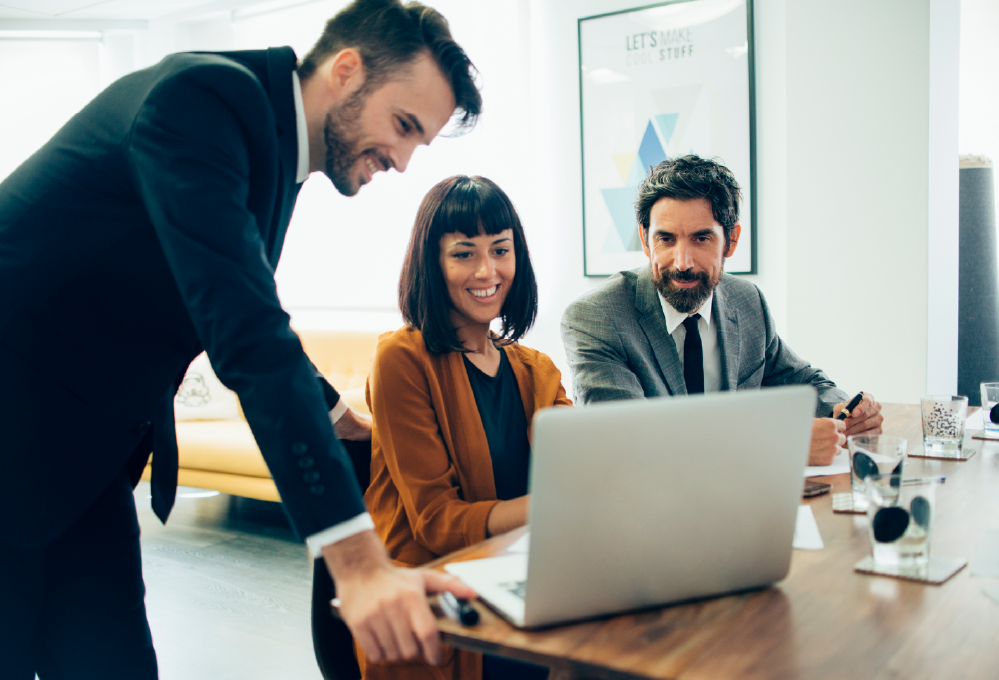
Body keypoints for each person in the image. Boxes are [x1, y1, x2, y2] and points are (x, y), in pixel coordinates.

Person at [0, 1, 482, 677]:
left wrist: (337, 415)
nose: (403, 161)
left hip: (81, 463)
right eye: (403, 126)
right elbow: (244, 328)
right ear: (347, 71)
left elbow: (223, 301)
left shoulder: (268, 142)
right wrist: (359, 564)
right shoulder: (201, 102)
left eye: (418, 143)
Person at [360, 175, 570, 680]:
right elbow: (436, 521)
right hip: (446, 611)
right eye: (463, 253)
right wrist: (547, 511)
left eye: (501, 250)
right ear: (432, 263)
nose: (487, 270)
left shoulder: (536, 369)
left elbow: (580, 471)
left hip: (524, 586)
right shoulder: (402, 358)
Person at [561, 155, 883, 464]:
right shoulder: (595, 319)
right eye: (666, 239)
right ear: (645, 240)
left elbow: (800, 380)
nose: (682, 262)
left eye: (701, 239)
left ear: (731, 241)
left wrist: (844, 411)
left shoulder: (747, 302)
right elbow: (629, 442)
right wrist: (783, 442)